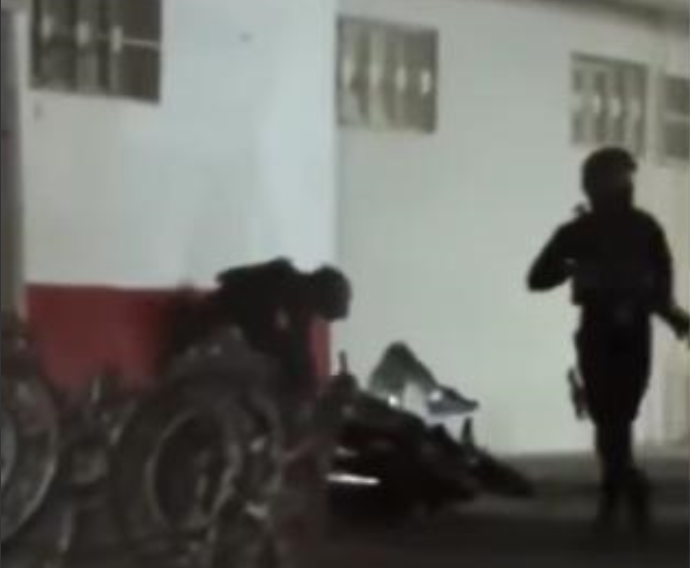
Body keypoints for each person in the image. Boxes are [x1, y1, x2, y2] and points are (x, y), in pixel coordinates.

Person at [527, 147, 689, 534]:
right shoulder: (610, 230)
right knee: (612, 418)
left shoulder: (611, 230)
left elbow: (659, 286)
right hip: (614, 330)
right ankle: (624, 487)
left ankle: (620, 489)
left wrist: (672, 316)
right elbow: (538, 278)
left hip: (615, 330)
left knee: (613, 419)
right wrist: (572, 267)